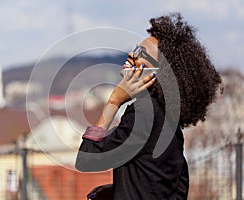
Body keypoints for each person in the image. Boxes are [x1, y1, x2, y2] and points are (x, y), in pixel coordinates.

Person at [75, 12, 222, 200]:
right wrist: (117, 189)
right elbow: (167, 182)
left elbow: (87, 159)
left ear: (156, 73)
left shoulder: (143, 112)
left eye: (140, 54)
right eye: (135, 49)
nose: (131, 54)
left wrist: (113, 102)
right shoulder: (165, 114)